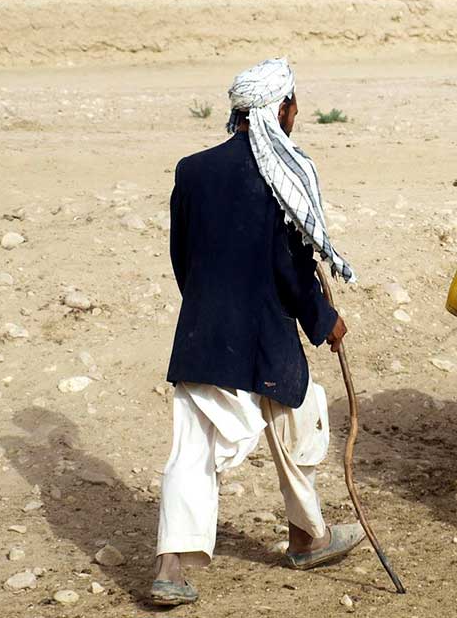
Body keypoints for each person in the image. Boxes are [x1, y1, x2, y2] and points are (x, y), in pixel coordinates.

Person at [151, 58, 361, 607]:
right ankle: (302, 538)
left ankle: (181, 566)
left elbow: (184, 259)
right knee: (287, 420)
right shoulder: (281, 175)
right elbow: (289, 269)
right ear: (278, 109)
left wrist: (210, 308)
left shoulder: (191, 172)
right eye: (294, 104)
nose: (299, 114)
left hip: (205, 334)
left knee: (206, 443)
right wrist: (323, 321)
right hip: (263, 335)